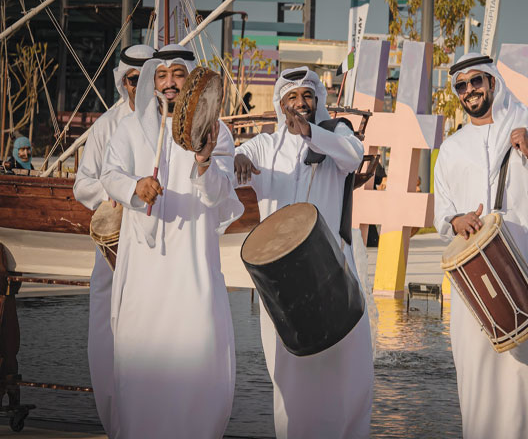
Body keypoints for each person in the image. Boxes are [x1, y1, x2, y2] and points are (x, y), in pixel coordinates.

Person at [433, 53, 528, 438]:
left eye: (476, 82)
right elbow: (441, 210)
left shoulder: (527, 126)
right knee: (481, 382)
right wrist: (455, 220)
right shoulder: (451, 149)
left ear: (493, 83)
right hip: (474, 288)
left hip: (526, 278)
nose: (469, 92)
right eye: (461, 86)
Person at [100, 44, 242, 438]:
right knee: (139, 357)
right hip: (143, 267)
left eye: (177, 74)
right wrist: (135, 186)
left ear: (192, 79)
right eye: (160, 76)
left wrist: (203, 161)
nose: (168, 83)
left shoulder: (218, 132)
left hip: (191, 265)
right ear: (151, 82)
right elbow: (109, 174)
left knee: (197, 352)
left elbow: (217, 195)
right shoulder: (129, 128)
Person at [234, 67, 373, 439]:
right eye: (292, 98)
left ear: (317, 101)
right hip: (282, 282)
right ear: (281, 105)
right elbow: (237, 158)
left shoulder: (334, 132)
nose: (301, 104)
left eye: (307, 97)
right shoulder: (266, 145)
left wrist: (311, 134)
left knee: (346, 370)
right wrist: (236, 161)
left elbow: (353, 157)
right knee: (288, 372)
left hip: (333, 271)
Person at [73, 43, 153, 434]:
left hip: (158, 249)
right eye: (135, 80)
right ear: (124, 82)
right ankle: (117, 424)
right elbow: (82, 183)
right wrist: (114, 195)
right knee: (108, 335)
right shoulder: (106, 125)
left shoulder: (169, 125)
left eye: (150, 78)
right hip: (114, 249)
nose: (142, 87)